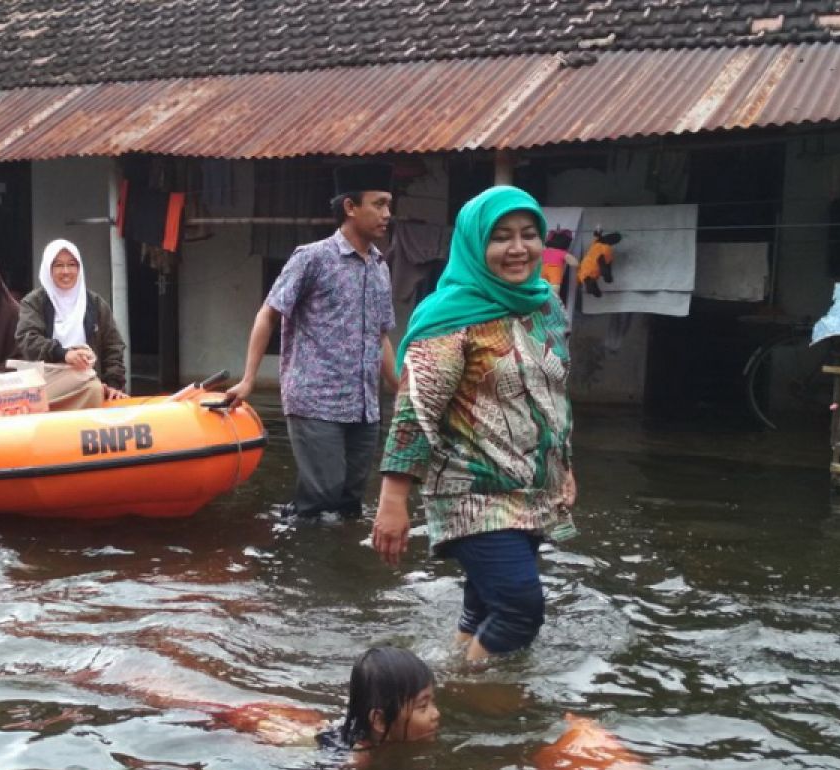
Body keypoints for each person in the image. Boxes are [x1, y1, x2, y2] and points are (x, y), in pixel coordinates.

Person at [371, 185, 576, 663]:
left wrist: (563, 465)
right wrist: (393, 499)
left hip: (529, 488)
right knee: (520, 612)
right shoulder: (449, 316)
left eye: (528, 235)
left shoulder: (544, 303)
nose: (518, 248)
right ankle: (482, 710)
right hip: (470, 493)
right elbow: (414, 407)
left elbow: (554, 393)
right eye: (501, 237)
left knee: (486, 607)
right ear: (474, 243)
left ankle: (452, 678)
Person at [224, 162, 399, 519]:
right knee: (322, 498)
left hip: (365, 404)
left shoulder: (380, 267)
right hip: (315, 398)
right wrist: (248, 379)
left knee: (351, 500)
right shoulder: (313, 258)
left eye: (388, 205)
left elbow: (380, 335)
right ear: (351, 207)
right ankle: (300, 564)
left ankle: (340, 570)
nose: (387, 214)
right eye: (378, 204)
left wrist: (400, 388)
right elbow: (268, 314)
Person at [15, 238, 128, 407]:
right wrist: (64, 354)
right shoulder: (34, 302)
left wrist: (113, 383)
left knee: (94, 389)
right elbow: (28, 339)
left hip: (91, 379)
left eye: (72, 264)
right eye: (58, 265)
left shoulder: (95, 304)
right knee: (92, 388)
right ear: (48, 269)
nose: (66, 271)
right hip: (47, 381)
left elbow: (113, 346)